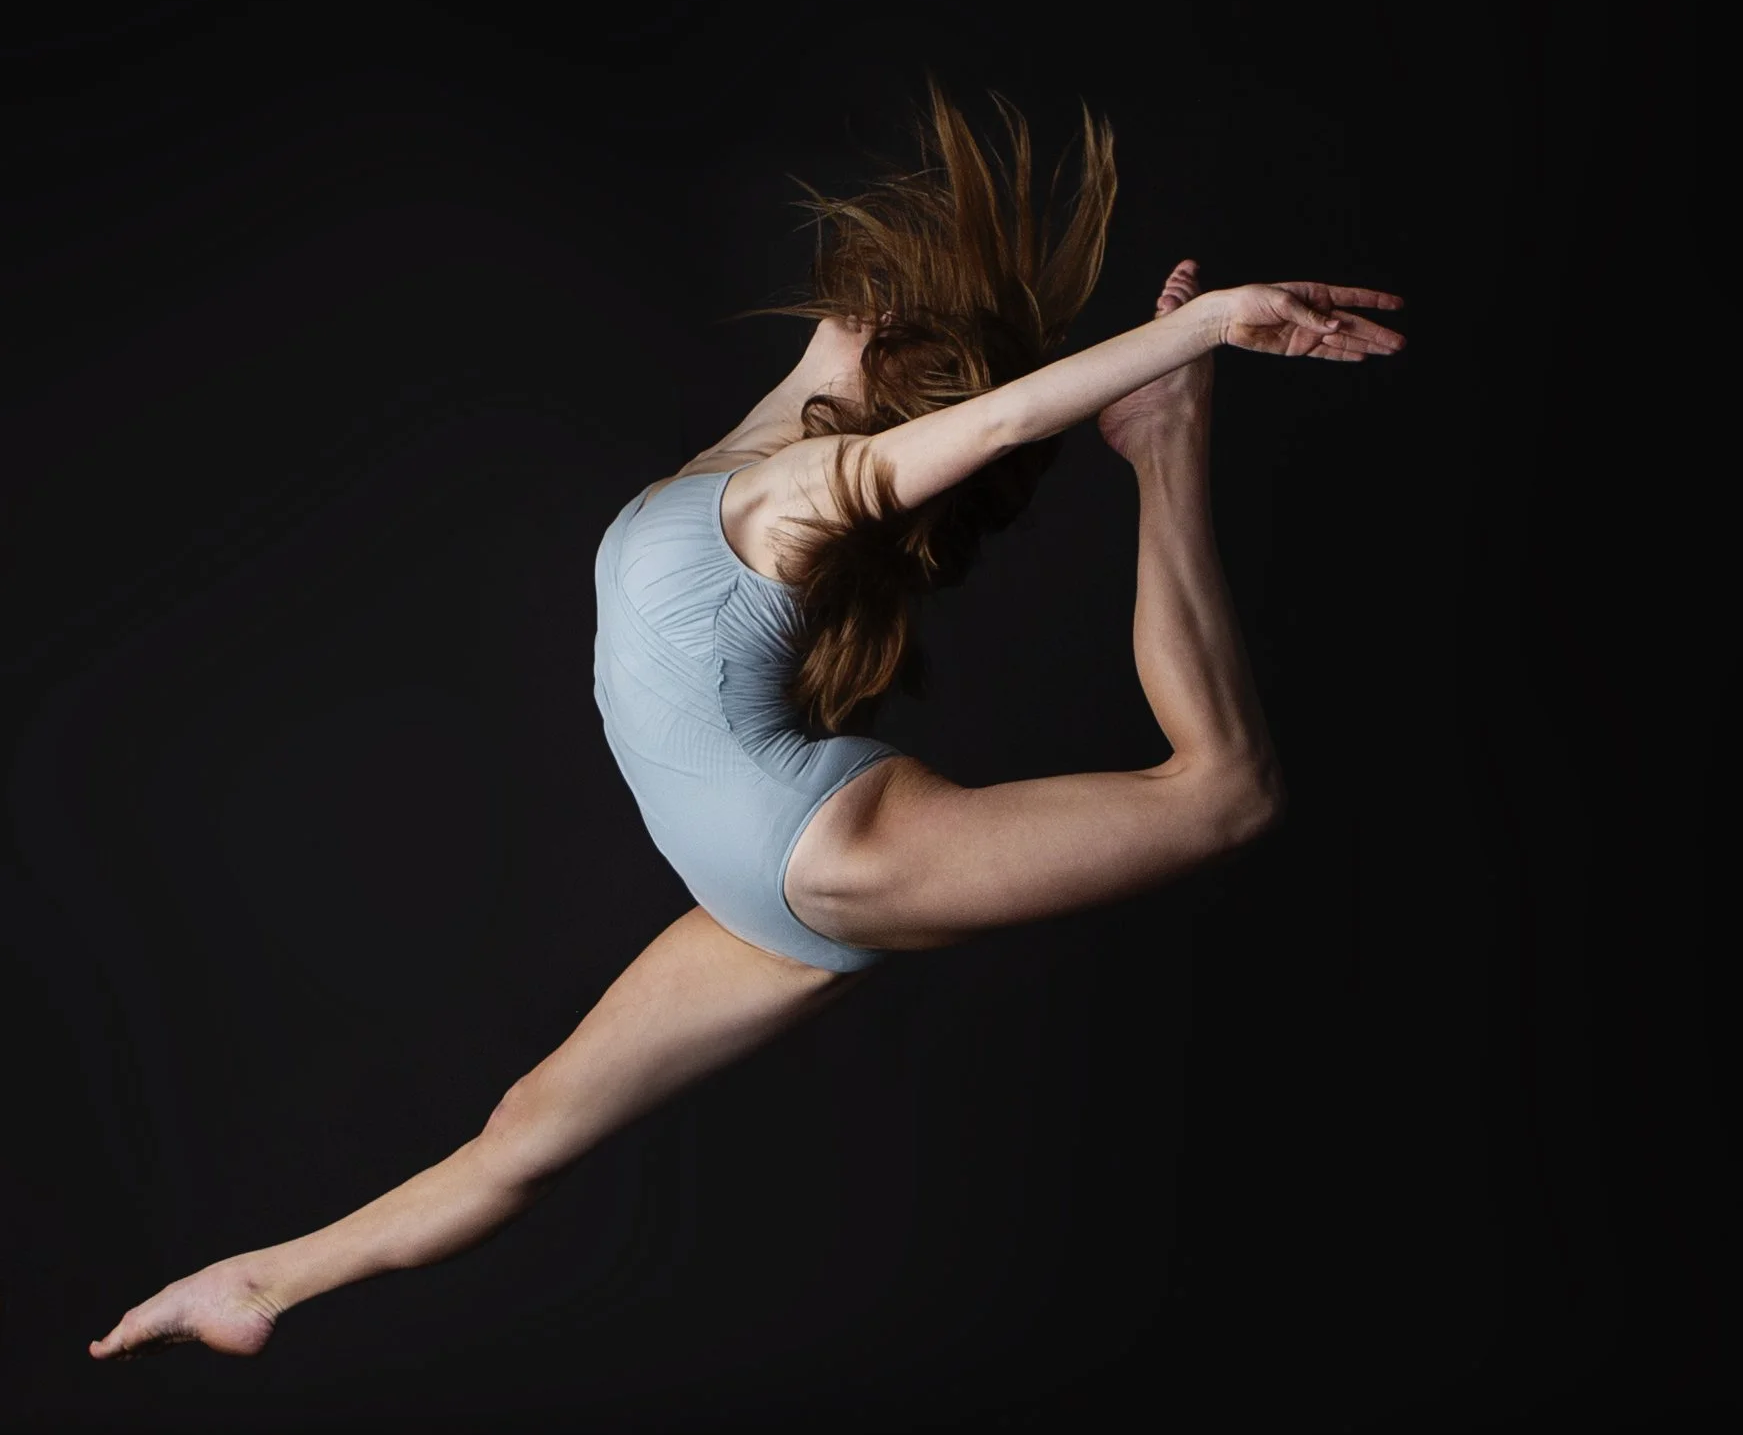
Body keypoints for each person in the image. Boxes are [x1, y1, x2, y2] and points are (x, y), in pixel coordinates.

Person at [90, 87, 1403, 1361]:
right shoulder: (746, 457)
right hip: (749, 895)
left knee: (1224, 791)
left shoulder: (802, 492)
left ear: (888, 363)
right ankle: (255, 1283)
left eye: (877, 302)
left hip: (819, 852)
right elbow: (934, 400)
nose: (855, 291)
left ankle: (1165, 447)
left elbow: (1003, 416)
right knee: (524, 1131)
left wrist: (1202, 332)